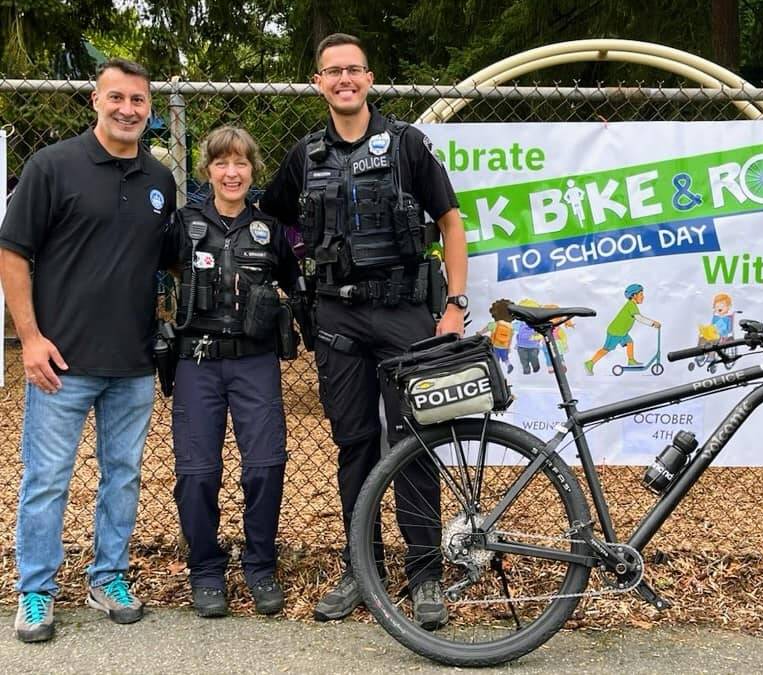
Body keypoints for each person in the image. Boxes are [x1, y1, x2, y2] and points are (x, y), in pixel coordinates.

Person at [261, 32, 468, 630]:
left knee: (416, 443)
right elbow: (272, 222)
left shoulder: (407, 145)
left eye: (353, 70)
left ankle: (425, 573)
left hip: (407, 315)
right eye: (333, 71)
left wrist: (454, 303)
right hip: (337, 319)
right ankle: (361, 567)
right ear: (319, 82)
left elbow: (451, 223)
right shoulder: (305, 156)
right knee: (354, 445)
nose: (344, 79)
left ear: (369, 78)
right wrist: (297, 278)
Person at [0, 59, 177, 643]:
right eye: (117, 98)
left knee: (122, 476)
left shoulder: (160, 180)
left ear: (149, 109)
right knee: (47, 478)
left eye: (139, 101)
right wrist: (29, 338)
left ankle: (108, 578)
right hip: (60, 362)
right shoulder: (53, 166)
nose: (128, 109)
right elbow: (13, 254)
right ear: (95, 100)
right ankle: (36, 592)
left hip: (131, 363)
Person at [161, 126, 300, 618]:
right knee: (197, 474)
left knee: (265, 466)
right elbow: (158, 271)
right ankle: (206, 570)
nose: (232, 172)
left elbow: (297, 285)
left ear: (253, 169)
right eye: (222, 163)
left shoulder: (270, 229)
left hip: (255, 362)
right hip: (197, 362)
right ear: (208, 170)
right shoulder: (184, 223)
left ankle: (260, 565)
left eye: (241, 162)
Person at [584, 283, 661, 375]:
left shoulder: (632, 305)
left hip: (622, 332)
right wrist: (653, 323)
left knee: (630, 342)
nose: (643, 297)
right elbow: (639, 318)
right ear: (634, 296)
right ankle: (590, 363)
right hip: (615, 332)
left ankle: (631, 361)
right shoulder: (631, 306)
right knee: (606, 349)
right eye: (641, 294)